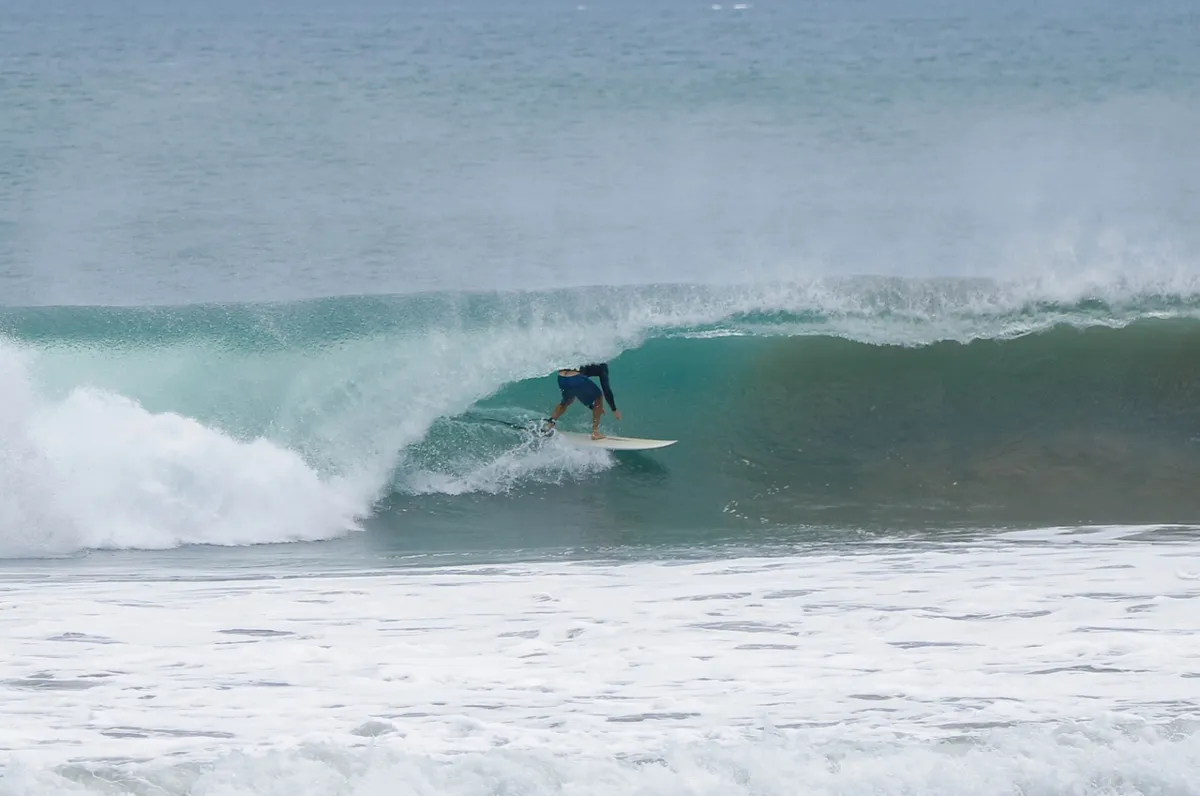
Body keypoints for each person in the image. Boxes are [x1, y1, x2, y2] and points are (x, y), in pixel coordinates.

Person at [543, 362, 622, 439]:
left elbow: (579, 392)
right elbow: (606, 389)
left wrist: (592, 407)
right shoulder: (603, 366)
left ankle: (549, 424)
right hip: (575, 378)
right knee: (598, 396)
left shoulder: (587, 360)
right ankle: (595, 432)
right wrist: (614, 409)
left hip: (561, 378)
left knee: (567, 401)